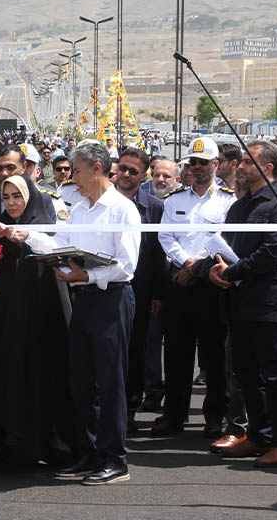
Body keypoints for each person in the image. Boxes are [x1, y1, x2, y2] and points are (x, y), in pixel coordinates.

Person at [13, 143, 140, 485]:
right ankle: (88, 453)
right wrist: (29, 236)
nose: (73, 178)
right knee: (82, 380)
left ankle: (114, 460)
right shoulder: (80, 209)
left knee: (110, 382)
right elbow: (60, 243)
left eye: (78, 171)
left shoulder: (123, 210)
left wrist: (88, 275)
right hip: (82, 299)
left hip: (111, 299)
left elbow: (126, 265)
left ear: (97, 169)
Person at [201, 141, 277, 467]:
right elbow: (224, 246)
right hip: (239, 304)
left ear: (267, 168)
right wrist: (213, 269)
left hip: (269, 306)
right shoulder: (239, 207)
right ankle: (259, 437)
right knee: (246, 376)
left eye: (247, 161)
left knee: (275, 376)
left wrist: (230, 272)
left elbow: (270, 254)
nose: (240, 167)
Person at [0, 175, 73, 465]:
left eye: (17, 196)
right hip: (6, 322)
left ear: (30, 197)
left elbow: (55, 253)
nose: (11, 203)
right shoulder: (0, 227)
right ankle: (7, 446)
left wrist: (24, 239)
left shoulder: (43, 224)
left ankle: (44, 446)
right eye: (6, 197)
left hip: (40, 322)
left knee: (39, 379)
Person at [154, 138, 235, 439]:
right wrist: (186, 262)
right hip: (179, 282)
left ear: (216, 164)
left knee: (214, 355)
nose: (197, 167)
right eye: (192, 162)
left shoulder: (228, 200)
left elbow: (225, 240)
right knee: (177, 353)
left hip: (213, 282)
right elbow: (165, 237)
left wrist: (196, 266)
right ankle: (174, 415)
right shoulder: (174, 199)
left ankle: (214, 417)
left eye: (203, 162)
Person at [114, 148, 165, 433]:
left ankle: (129, 410)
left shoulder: (155, 208)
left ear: (143, 176)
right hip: (104, 288)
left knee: (135, 353)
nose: (126, 174)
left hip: (140, 291)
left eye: (133, 171)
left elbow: (158, 254)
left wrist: (158, 293)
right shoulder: (101, 201)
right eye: (122, 168)